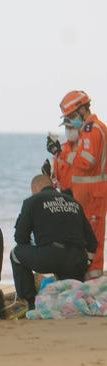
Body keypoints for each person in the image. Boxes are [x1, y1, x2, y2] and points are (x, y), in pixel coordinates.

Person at [12, 175, 97, 309]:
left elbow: (20, 238)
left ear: (34, 189)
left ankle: (30, 302)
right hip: (77, 260)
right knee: (69, 294)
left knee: (16, 253)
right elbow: (92, 242)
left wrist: (38, 245)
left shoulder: (32, 201)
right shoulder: (74, 202)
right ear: (51, 185)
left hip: (52, 257)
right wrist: (87, 263)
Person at [59, 90, 107, 280]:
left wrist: (61, 153)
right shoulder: (90, 129)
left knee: (93, 238)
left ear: (81, 110)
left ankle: (93, 279)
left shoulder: (92, 129)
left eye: (71, 115)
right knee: (87, 236)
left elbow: (86, 162)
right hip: (87, 194)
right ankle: (89, 276)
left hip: (93, 194)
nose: (70, 120)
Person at [45, 118, 80, 196]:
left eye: (71, 127)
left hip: (85, 199)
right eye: (66, 128)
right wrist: (47, 176)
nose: (69, 130)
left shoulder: (88, 147)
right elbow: (55, 180)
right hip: (66, 200)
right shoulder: (61, 149)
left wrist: (60, 153)